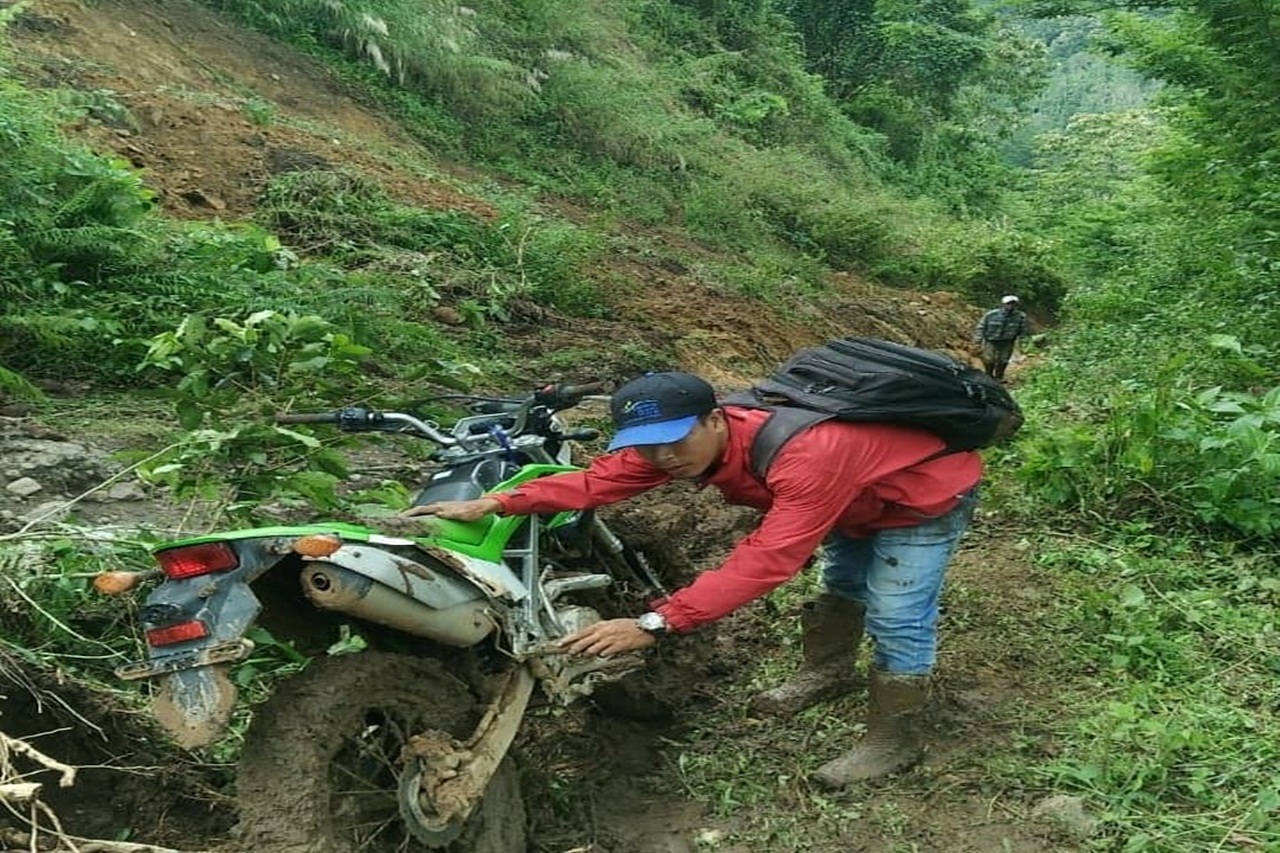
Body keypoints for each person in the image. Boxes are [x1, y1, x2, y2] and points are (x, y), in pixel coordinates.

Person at [402, 370, 980, 785]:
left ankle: (892, 740)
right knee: (843, 586)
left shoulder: (808, 456)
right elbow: (593, 482)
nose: (662, 459)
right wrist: (499, 505)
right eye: (645, 448)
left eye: (675, 442)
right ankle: (827, 673)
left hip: (918, 499)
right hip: (851, 500)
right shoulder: (666, 446)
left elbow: (769, 558)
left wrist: (657, 621)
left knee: (897, 613)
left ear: (716, 418)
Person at [973, 295, 1032, 381]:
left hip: (1008, 341)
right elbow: (981, 327)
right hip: (991, 340)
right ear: (1003, 304)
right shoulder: (991, 315)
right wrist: (977, 340)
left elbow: (1023, 330)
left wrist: (1023, 343)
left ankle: (999, 377)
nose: (1011, 306)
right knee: (989, 359)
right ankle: (989, 375)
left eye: (1013, 304)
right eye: (1008, 304)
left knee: (1003, 360)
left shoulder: (1020, 316)